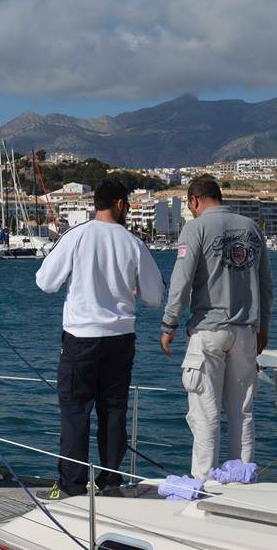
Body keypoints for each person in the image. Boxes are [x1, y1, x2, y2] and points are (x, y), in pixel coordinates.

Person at [36, 178, 165, 497]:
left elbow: (45, 281)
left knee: (75, 410)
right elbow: (154, 296)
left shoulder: (76, 236)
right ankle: (110, 483)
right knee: (114, 410)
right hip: (121, 338)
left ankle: (72, 486)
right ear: (120, 204)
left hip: (81, 338)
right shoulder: (133, 243)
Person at [160, 175, 273, 480]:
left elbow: (181, 282)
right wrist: (263, 326)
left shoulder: (195, 228)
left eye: (190, 206)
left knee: (205, 414)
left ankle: (203, 483)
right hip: (246, 332)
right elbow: (265, 285)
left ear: (194, 200)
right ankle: (243, 479)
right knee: (242, 413)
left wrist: (169, 322)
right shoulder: (251, 229)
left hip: (208, 331)